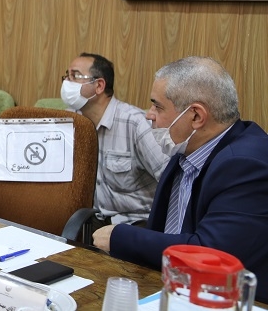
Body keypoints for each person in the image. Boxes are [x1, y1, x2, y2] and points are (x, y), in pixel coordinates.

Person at [93, 56, 268, 301]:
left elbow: (211, 254)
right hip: (171, 288)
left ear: (196, 116)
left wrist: (120, 237)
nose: (149, 115)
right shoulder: (186, 148)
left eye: (158, 107)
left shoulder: (246, 164)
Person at [61, 53, 168, 226]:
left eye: (75, 75)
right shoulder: (67, 122)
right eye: (67, 75)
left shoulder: (136, 123)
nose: (66, 82)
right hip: (91, 220)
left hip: (136, 222)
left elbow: (171, 181)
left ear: (99, 86)